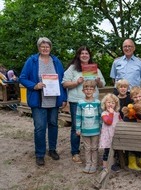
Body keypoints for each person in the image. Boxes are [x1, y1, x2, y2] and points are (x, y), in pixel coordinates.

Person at [19, 37, 67, 166]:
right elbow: (22, 78)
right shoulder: (32, 61)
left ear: (50, 48)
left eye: (47, 46)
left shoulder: (56, 61)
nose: (45, 48)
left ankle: (52, 150)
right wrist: (35, 85)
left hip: (54, 100)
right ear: (39, 48)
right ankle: (40, 154)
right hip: (39, 100)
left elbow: (62, 81)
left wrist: (64, 98)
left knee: (53, 125)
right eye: (42, 46)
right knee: (40, 127)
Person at [62, 46, 106, 164]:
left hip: (92, 102)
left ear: (89, 55)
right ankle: (75, 152)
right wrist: (76, 82)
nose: (85, 55)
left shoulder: (94, 68)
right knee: (76, 127)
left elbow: (102, 85)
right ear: (78, 55)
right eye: (82, 53)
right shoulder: (72, 69)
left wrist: (98, 81)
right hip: (77, 101)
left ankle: (92, 149)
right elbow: (64, 83)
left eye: (87, 53)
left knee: (93, 124)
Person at [122, 86, 141, 174]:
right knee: (133, 143)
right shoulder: (130, 107)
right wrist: (134, 120)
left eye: (139, 96)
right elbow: (125, 119)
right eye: (135, 97)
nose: (137, 99)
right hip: (132, 131)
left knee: (140, 144)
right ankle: (133, 163)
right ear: (131, 98)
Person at [76, 80, 101, 174]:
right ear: (83, 90)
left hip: (95, 130)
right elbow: (78, 116)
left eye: (91, 89)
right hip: (85, 130)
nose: (88, 91)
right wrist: (78, 128)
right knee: (87, 148)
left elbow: (100, 115)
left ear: (94, 91)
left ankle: (94, 164)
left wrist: (101, 128)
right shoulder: (80, 103)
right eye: (86, 89)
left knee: (94, 147)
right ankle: (88, 164)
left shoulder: (98, 102)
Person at [99, 93, 121, 170]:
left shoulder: (117, 113)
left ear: (116, 104)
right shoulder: (104, 113)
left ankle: (112, 165)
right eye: (108, 102)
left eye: (113, 103)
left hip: (114, 135)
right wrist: (111, 113)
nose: (110, 104)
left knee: (115, 151)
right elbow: (108, 122)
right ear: (105, 103)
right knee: (107, 151)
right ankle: (104, 166)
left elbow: (120, 122)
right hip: (107, 136)